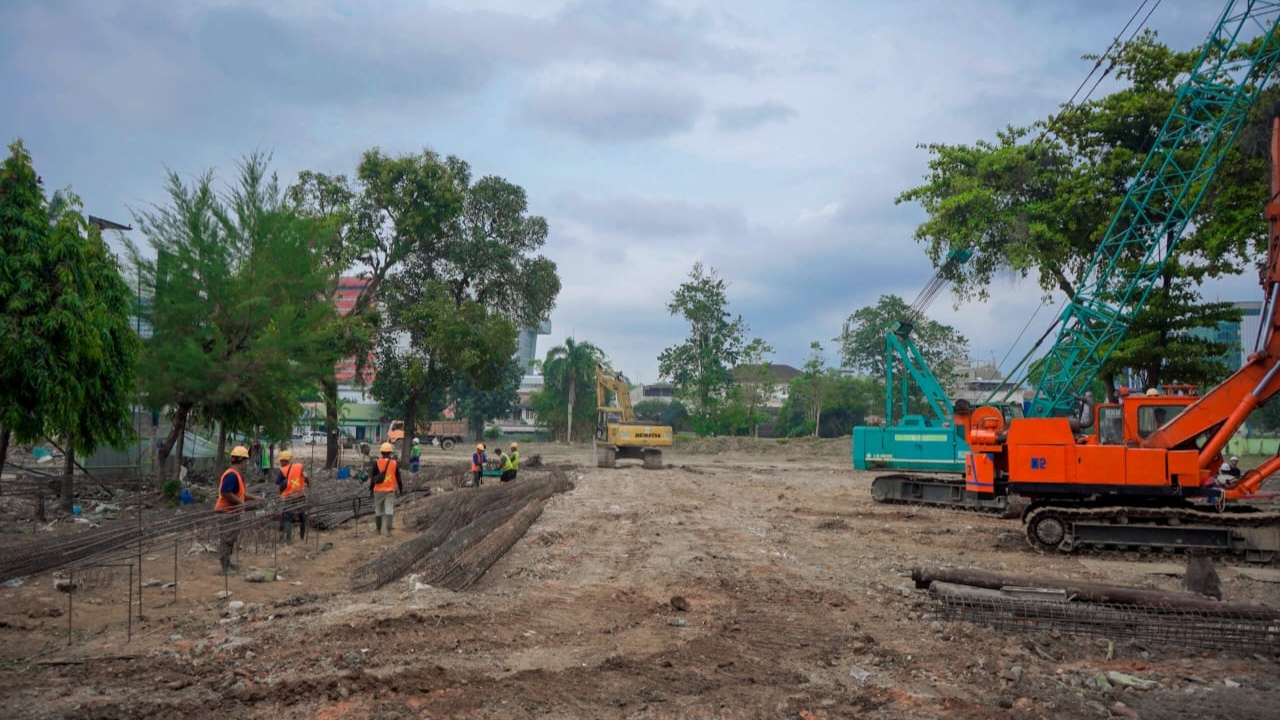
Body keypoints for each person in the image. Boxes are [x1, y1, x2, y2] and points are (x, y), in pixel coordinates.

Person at [215, 445, 262, 574]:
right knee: (226, 538)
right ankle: (225, 567)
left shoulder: (235, 475)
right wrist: (241, 503)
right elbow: (225, 492)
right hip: (226, 512)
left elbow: (240, 494)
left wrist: (254, 498)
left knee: (231, 537)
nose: (246, 464)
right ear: (241, 461)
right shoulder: (231, 475)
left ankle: (228, 562)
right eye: (245, 461)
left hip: (231, 511)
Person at [275, 449, 309, 543]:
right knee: (302, 515)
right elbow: (306, 476)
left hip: (289, 497)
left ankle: (288, 540)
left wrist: (279, 497)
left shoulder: (282, 470)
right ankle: (302, 537)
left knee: (288, 517)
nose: (280, 463)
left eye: (281, 461)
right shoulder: (299, 466)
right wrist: (307, 483)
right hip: (300, 495)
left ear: (284, 460)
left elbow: (279, 486)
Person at [370, 442, 404, 535]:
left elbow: (373, 478)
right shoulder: (394, 463)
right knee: (389, 510)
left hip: (378, 490)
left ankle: (378, 530)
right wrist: (401, 489)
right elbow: (398, 478)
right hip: (390, 490)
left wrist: (371, 489)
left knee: (378, 510)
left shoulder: (377, 462)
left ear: (381, 452)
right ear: (390, 452)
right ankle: (388, 531)